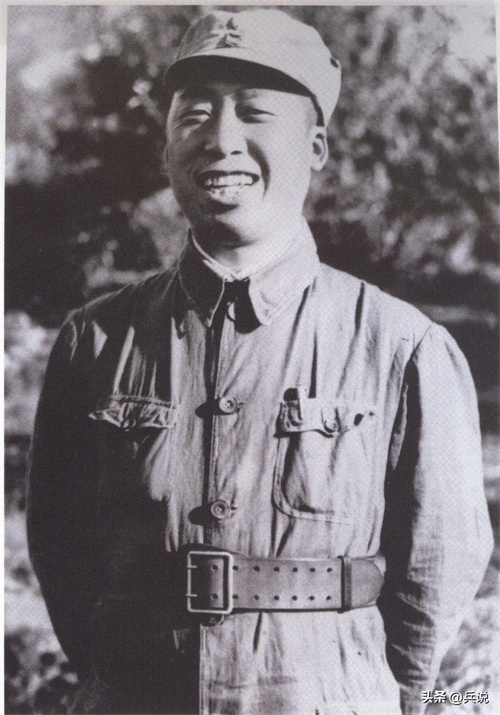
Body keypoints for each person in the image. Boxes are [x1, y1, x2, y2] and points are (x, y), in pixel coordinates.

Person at [27, 9, 493, 715]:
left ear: (315, 146)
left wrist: (368, 689)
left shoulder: (404, 347)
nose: (221, 140)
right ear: (166, 148)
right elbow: (61, 549)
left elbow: (441, 564)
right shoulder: (93, 341)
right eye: (195, 115)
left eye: (254, 112)